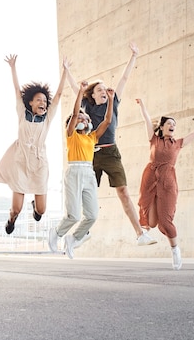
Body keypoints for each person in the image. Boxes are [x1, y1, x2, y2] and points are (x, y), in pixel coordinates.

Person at [66, 43, 156, 246]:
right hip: (91, 155)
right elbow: (75, 89)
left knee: (123, 191)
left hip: (111, 153)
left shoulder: (113, 103)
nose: (104, 92)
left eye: (104, 89)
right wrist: (67, 70)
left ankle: (140, 234)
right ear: (93, 95)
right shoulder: (87, 106)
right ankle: (83, 232)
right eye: (99, 90)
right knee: (86, 192)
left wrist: (134, 55)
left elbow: (124, 78)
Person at [136, 98, 194, 270]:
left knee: (165, 223)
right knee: (151, 223)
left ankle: (175, 250)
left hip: (168, 182)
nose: (172, 126)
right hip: (150, 178)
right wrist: (143, 105)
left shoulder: (178, 143)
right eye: (169, 123)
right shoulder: (154, 140)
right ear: (161, 127)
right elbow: (146, 119)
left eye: (174, 124)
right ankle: (144, 233)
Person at [0, 54, 67, 234]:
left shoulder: (47, 118)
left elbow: (58, 95)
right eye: (39, 100)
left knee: (41, 211)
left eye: (44, 100)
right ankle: (11, 220)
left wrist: (65, 70)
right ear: (31, 103)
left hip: (39, 163)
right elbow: (17, 90)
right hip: (20, 162)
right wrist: (13, 67)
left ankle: (35, 206)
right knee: (16, 209)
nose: (43, 102)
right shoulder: (22, 113)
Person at [49, 79, 114, 259]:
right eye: (81, 118)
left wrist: (110, 99)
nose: (84, 119)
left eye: (86, 118)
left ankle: (73, 239)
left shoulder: (92, 137)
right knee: (74, 215)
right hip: (74, 172)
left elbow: (108, 121)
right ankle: (56, 233)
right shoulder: (71, 135)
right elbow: (75, 111)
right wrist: (81, 92)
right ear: (74, 122)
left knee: (92, 215)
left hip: (88, 173)